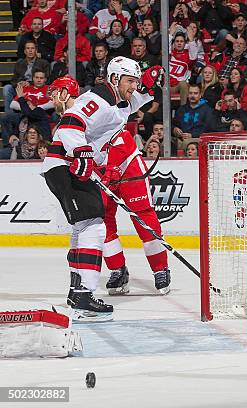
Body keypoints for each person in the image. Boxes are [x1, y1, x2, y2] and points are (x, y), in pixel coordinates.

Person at [41, 58, 165, 321]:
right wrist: (83, 153)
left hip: (63, 165)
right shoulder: (99, 98)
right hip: (66, 164)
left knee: (85, 226)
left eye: (136, 82)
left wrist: (150, 85)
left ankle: (78, 292)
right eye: (130, 81)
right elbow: (70, 122)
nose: (134, 86)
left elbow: (135, 102)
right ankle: (84, 295)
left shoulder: (118, 101)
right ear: (115, 79)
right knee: (94, 226)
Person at [101, 124, 171, 297]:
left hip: (127, 165)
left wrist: (113, 168)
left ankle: (160, 269)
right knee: (101, 221)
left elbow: (120, 134)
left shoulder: (104, 106)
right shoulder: (73, 118)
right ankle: (118, 270)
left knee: (144, 217)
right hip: (100, 171)